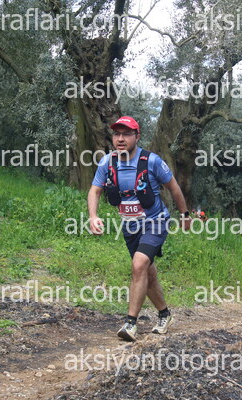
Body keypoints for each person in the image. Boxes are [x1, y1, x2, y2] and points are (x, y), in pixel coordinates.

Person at [87, 116, 191, 342]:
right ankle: (165, 315)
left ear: (137, 136)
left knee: (139, 265)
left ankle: (130, 323)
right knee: (147, 274)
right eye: (117, 134)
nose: (120, 139)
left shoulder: (152, 161)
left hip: (155, 222)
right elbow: (95, 190)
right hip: (130, 226)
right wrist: (93, 216)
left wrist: (184, 215)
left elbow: (173, 188)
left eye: (126, 134)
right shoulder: (107, 163)